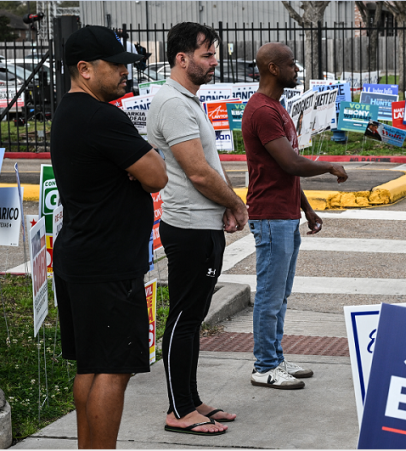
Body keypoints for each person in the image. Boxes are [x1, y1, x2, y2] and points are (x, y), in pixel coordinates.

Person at [50, 25, 167, 449]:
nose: (124, 71)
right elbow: (156, 175)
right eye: (115, 64)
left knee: (91, 365)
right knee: (113, 369)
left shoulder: (68, 112)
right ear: (84, 69)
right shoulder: (103, 116)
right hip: (107, 263)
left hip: (81, 255)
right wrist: (142, 162)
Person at [147, 22, 248, 435]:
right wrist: (235, 203)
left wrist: (222, 207)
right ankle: (177, 410)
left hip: (202, 223)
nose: (215, 61)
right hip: (188, 226)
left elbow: (207, 168)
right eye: (207, 55)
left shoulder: (187, 100)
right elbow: (198, 173)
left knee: (194, 315)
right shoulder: (173, 102)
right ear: (181, 58)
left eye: (214, 54)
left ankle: (190, 400)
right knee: (185, 317)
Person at [242, 42, 348, 389]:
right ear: (273, 68)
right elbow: (290, 163)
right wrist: (329, 165)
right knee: (270, 296)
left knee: (281, 295)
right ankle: (264, 366)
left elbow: (285, 171)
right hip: (271, 217)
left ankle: (275, 357)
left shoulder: (277, 107)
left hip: (285, 214)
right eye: (290, 65)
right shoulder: (262, 111)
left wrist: (306, 208)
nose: (296, 70)